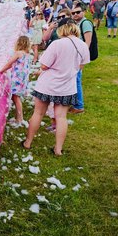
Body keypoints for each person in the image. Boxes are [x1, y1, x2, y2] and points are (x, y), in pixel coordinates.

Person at [22, 19, 90, 156]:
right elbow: (80, 66)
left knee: (38, 113)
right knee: (61, 117)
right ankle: (58, 149)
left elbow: (44, 66)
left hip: (48, 85)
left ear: (62, 29)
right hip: (67, 87)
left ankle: (28, 142)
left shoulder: (57, 44)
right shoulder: (83, 45)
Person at [0, 36, 31, 127]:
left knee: (16, 98)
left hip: (17, 79)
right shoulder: (27, 55)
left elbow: (9, 63)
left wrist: (1, 70)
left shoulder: (18, 53)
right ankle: (18, 117)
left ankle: (20, 118)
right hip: (23, 80)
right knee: (15, 97)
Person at [70, 4, 95, 114]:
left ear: (83, 12)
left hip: (79, 57)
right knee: (75, 80)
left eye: (78, 12)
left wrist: (82, 59)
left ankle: (79, 106)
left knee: (77, 80)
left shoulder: (85, 23)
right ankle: (76, 103)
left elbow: (87, 42)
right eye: (73, 13)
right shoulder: (77, 23)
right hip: (76, 56)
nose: (75, 14)